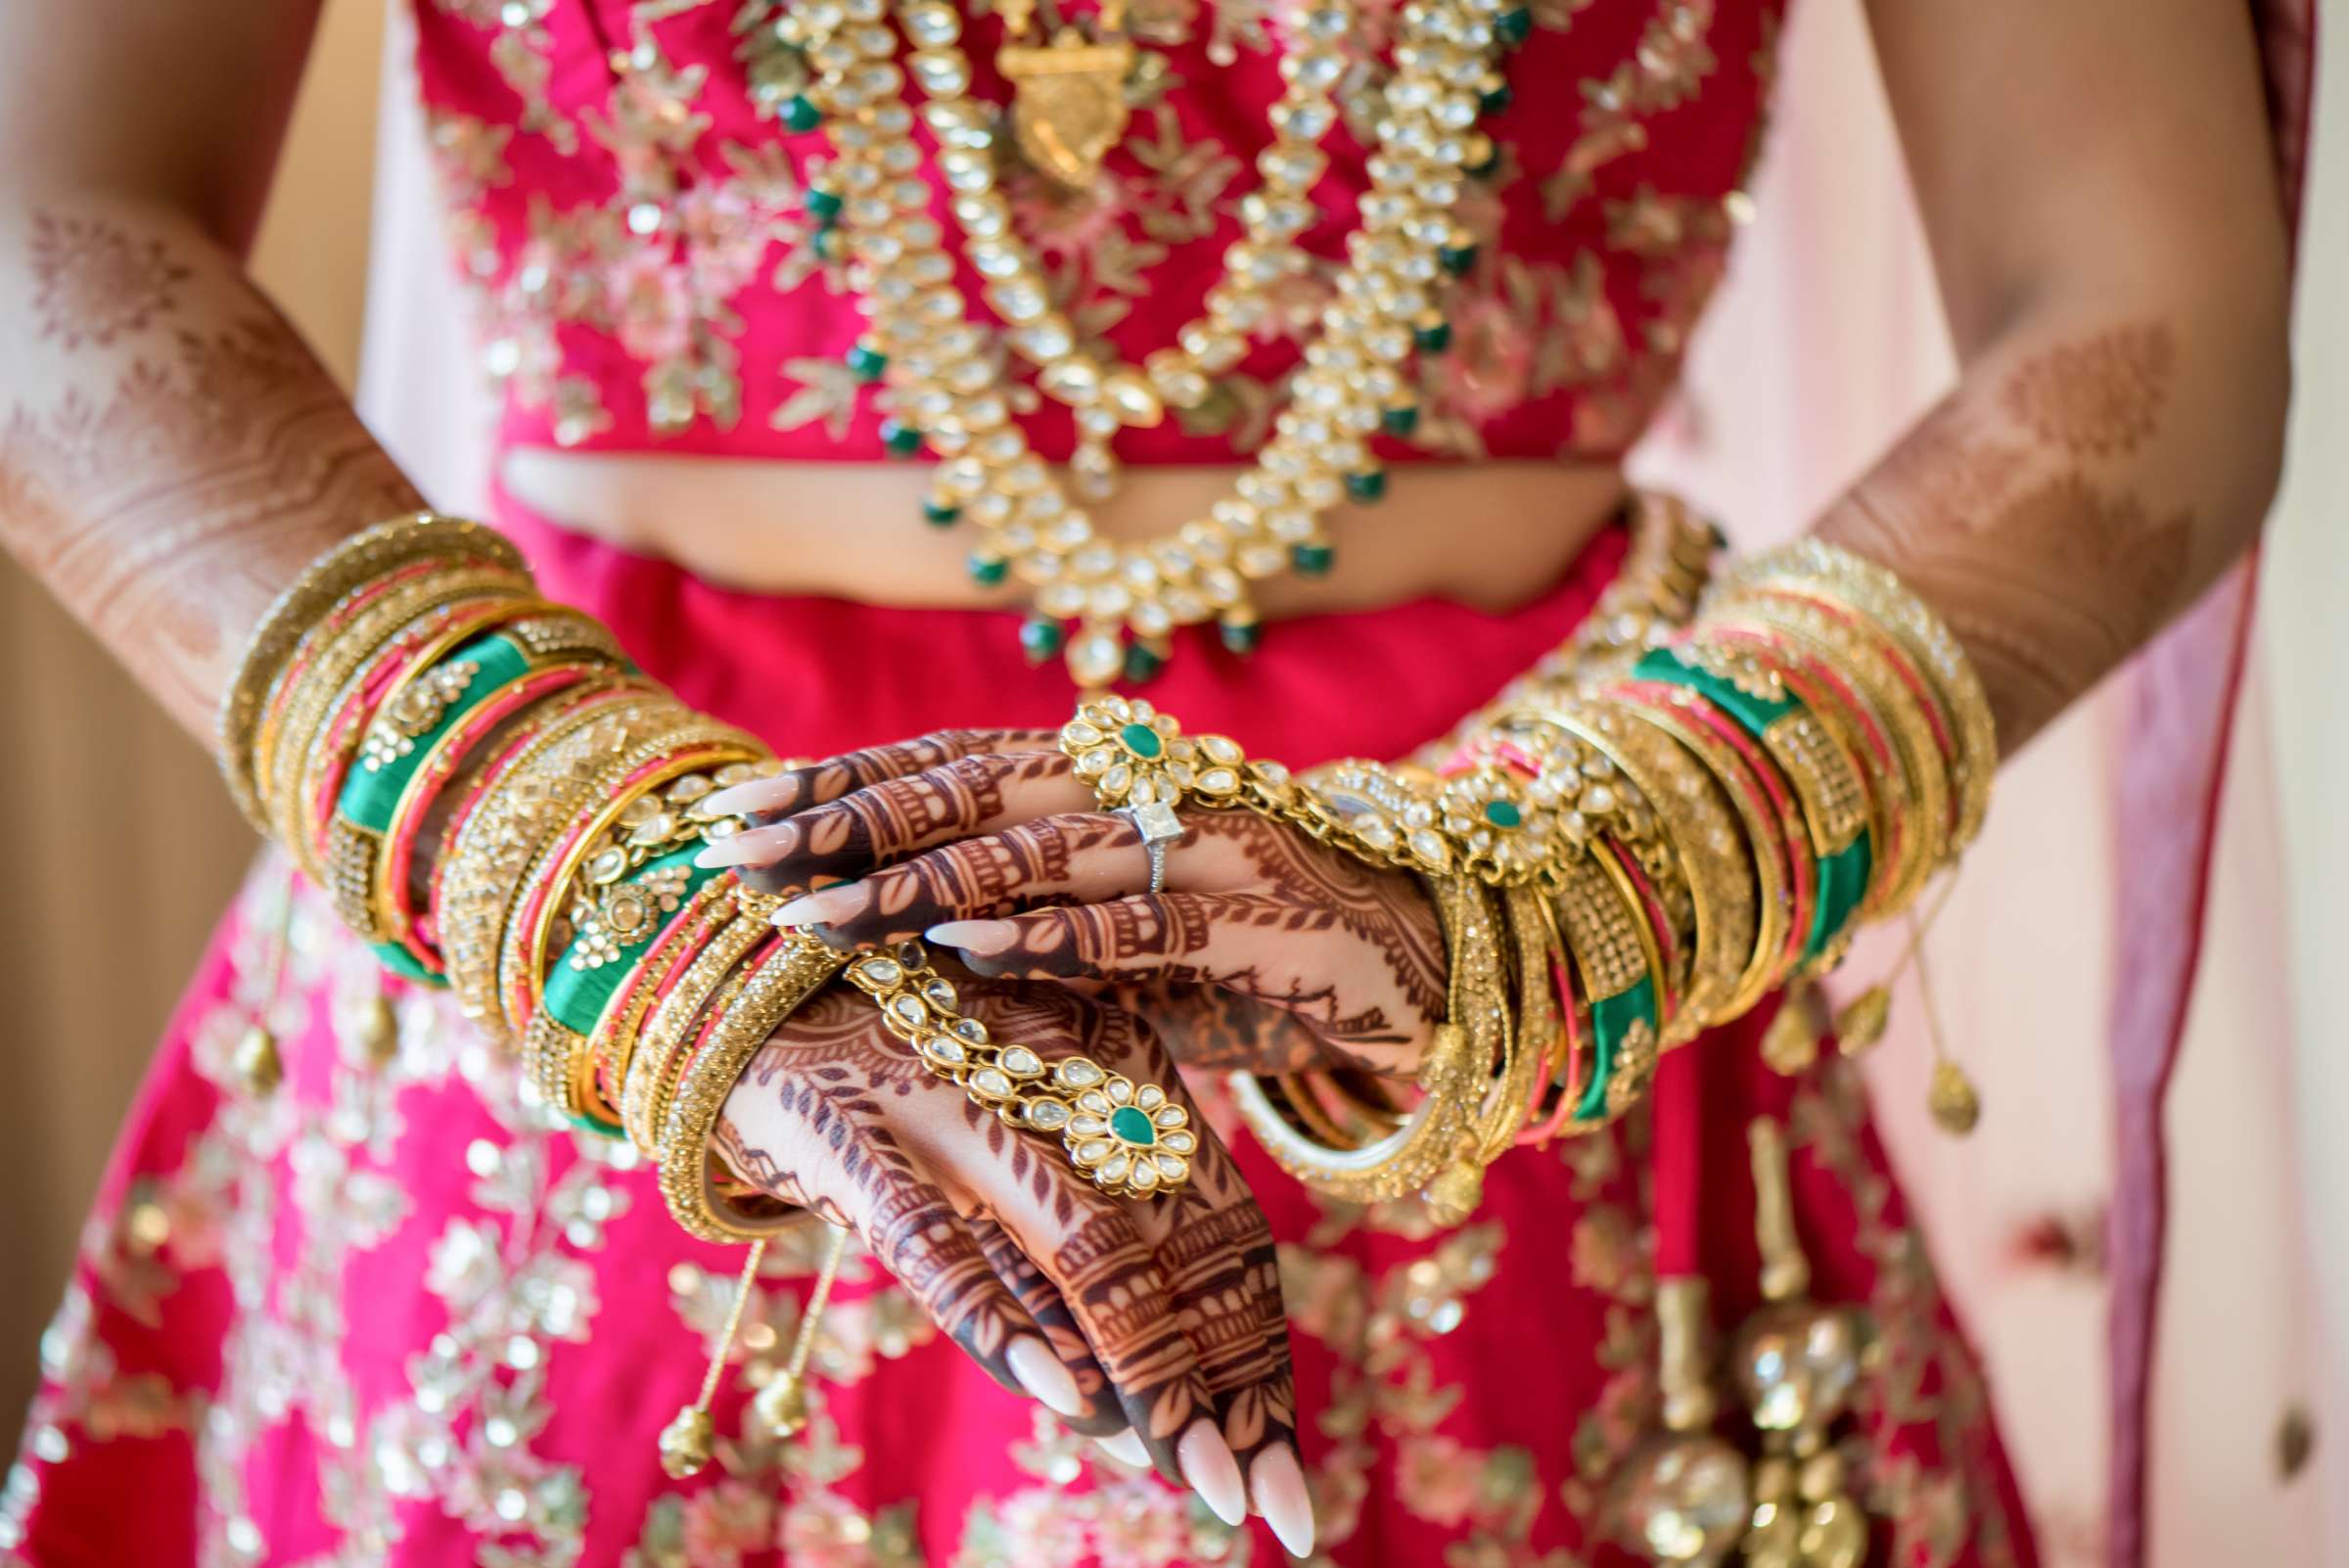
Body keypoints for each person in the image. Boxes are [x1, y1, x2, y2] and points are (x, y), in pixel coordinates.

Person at [0, 0, 2305, 1564]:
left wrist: (1546, 889)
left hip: (1537, 994)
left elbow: (2141, 301)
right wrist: (594, 874)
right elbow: (43, 213)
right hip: (613, 990)